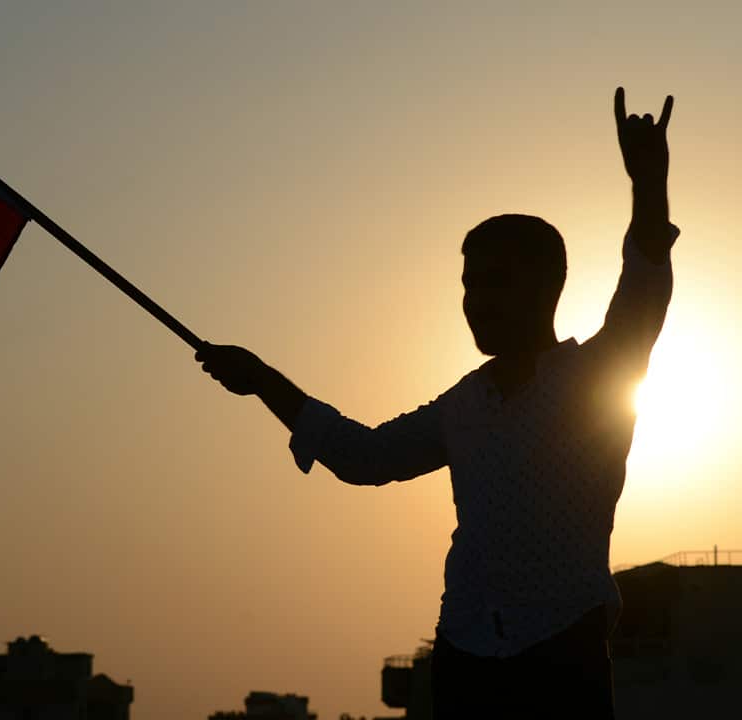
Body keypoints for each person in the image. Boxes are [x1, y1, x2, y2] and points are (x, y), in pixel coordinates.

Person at [196, 87, 677, 718]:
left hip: (561, 658)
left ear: (546, 284)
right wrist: (264, 381)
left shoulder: (598, 375)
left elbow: (644, 284)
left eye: (493, 281)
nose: (475, 299)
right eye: (468, 283)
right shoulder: (463, 405)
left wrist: (648, 185)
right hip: (464, 658)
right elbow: (362, 456)